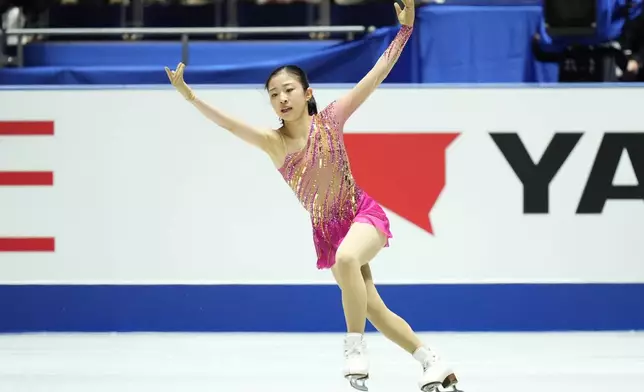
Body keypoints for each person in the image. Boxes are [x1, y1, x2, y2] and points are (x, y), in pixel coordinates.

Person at [165, 1, 458, 391]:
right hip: (328, 232)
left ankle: (354, 347)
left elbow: (375, 75)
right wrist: (189, 96)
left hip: (362, 215)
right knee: (375, 308)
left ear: (307, 93)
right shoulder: (273, 143)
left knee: (350, 257)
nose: (282, 98)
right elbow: (229, 124)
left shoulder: (331, 119)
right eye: (273, 94)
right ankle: (432, 361)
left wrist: (404, 30)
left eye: (288, 90)